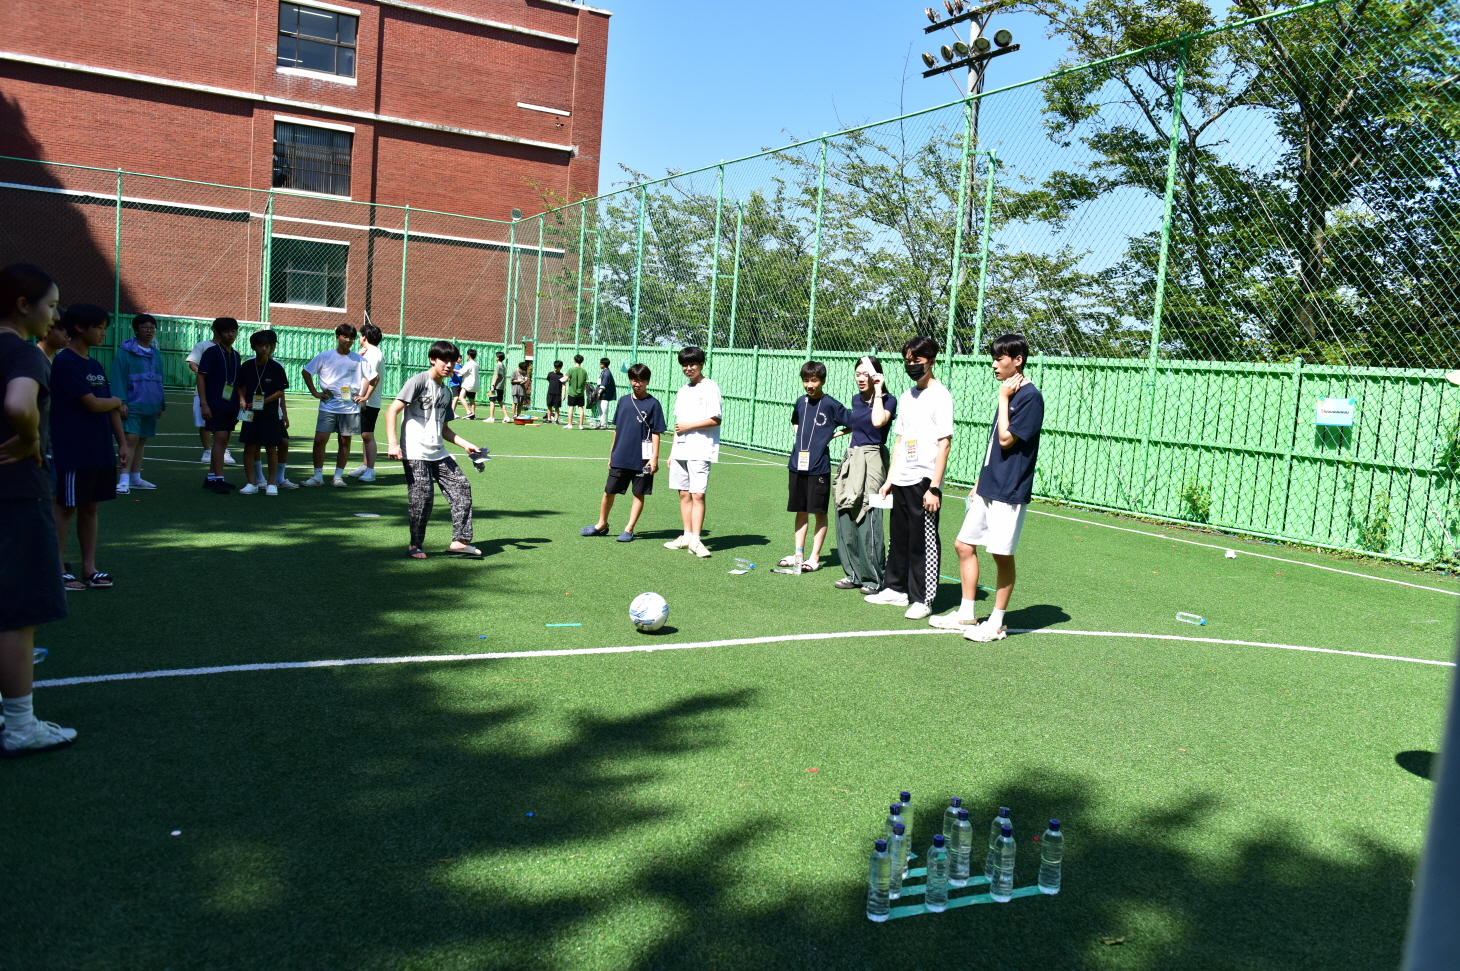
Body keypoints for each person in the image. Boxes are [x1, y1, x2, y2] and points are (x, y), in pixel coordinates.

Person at [0, 265, 75, 756]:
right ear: (23, 305)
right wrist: (29, 438)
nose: (55, 315)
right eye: (50, 305)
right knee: (16, 613)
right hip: (15, 494)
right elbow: (18, 404)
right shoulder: (25, 352)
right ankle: (20, 726)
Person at [931, 334, 1045, 642]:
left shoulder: (1029, 396)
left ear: (1017, 361)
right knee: (963, 545)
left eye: (999, 359)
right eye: (993, 359)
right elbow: (995, 443)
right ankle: (966, 614)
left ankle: (996, 623)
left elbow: (1007, 440)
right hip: (988, 485)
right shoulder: (1009, 390)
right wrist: (979, 481)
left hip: (1009, 490)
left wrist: (1003, 399)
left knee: (1001, 554)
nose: (994, 365)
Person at [866, 335, 954, 620]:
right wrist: (890, 479)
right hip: (902, 478)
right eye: (907, 361)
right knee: (900, 537)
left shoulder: (941, 396)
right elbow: (900, 440)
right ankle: (895, 588)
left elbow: (944, 443)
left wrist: (935, 487)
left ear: (932, 361)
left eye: (917, 360)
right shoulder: (906, 396)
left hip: (924, 479)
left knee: (923, 541)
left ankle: (923, 598)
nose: (911, 365)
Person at [384, 340, 487, 559]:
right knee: (423, 497)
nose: (448, 365)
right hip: (415, 451)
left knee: (461, 487)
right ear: (433, 359)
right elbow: (392, 411)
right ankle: (415, 545)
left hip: (438, 452)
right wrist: (393, 443)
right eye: (444, 360)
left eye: (452, 361)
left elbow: (444, 429)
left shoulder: (446, 392)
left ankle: (459, 542)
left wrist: (466, 444)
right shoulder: (419, 381)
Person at [51, 304, 128, 587]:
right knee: (65, 507)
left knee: (90, 507)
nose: (103, 333)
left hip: (99, 449)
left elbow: (109, 409)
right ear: (79, 328)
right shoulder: (65, 362)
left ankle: (89, 568)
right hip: (74, 449)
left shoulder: (94, 365)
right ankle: (57, 568)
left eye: (105, 328)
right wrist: (117, 401)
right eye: (99, 327)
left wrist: (122, 443)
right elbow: (94, 404)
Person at [779, 361, 851, 573]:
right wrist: (798, 434)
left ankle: (814, 557)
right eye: (806, 380)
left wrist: (834, 435)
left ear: (823, 381)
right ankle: (798, 554)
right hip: (796, 464)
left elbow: (854, 423)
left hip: (819, 467)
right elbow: (795, 420)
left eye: (814, 380)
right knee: (801, 510)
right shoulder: (800, 402)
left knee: (818, 511)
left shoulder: (830, 404)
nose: (809, 385)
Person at [831, 356, 896, 593]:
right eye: (857, 374)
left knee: (869, 516)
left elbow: (877, 422)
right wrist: (840, 435)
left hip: (873, 459)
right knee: (845, 512)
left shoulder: (888, 400)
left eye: (865, 374)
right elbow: (858, 425)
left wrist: (878, 391)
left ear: (876, 375)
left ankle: (874, 578)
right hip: (853, 457)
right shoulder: (856, 400)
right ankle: (854, 573)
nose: (860, 378)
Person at [580, 363, 664, 542]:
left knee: (638, 493)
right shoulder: (624, 401)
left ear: (648, 381)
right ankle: (601, 524)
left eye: (641, 380)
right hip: (621, 456)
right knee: (608, 491)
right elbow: (617, 430)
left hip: (643, 458)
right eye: (634, 379)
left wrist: (654, 457)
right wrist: (612, 453)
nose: (637, 383)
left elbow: (656, 432)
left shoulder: (654, 404)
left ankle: (629, 529)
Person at [663, 346, 721, 559]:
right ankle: (687, 536)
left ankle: (696, 540)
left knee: (698, 494)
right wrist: (672, 452)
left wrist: (690, 426)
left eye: (692, 364)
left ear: (701, 364)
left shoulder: (710, 387)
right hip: (681, 449)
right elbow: (679, 424)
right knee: (683, 493)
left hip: (701, 448)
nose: (688, 368)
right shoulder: (683, 390)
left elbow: (716, 419)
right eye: (685, 365)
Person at [301, 322, 374, 488]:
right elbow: (306, 371)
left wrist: (364, 397)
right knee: (320, 440)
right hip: (328, 406)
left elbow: (373, 378)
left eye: (351, 338)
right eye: (344, 336)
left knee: (344, 442)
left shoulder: (359, 359)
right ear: (337, 337)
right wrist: (315, 392)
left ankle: (338, 477)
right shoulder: (325, 356)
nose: (348, 340)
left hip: (349, 409)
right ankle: (317, 476)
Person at [110, 313, 165, 494]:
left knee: (141, 440)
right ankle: (123, 480)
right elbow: (118, 377)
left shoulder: (156, 353)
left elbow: (160, 379)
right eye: (145, 327)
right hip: (132, 402)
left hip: (151, 404)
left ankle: (135, 478)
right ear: (136, 330)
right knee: (131, 439)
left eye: (152, 328)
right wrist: (121, 401)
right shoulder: (125, 352)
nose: (149, 331)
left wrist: (161, 403)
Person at [234, 329, 290, 496]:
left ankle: (271, 484)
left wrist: (264, 401)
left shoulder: (276, 367)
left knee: (271, 447)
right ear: (253, 347)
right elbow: (240, 386)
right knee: (249, 446)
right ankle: (251, 483)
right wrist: (242, 401)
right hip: (250, 413)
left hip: (270, 414)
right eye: (260, 345)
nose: (264, 348)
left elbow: (280, 392)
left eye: (266, 345)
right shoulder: (247, 366)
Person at [196, 317, 242, 494]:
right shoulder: (211, 352)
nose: (230, 335)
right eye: (226, 331)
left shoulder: (236, 355)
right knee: (220, 438)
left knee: (225, 439)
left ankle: (211, 477)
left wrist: (241, 401)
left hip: (231, 404)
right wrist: (204, 404)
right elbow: (201, 377)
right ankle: (219, 479)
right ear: (218, 332)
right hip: (215, 402)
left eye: (233, 331)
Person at [186, 329, 235, 466]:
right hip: (204, 391)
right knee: (204, 422)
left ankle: (224, 450)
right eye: (224, 329)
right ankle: (207, 450)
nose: (229, 333)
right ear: (214, 329)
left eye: (233, 331)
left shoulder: (233, 352)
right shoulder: (203, 346)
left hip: (225, 393)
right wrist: (201, 371)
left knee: (227, 423)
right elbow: (192, 362)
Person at [347, 322, 385, 482]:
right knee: (364, 434)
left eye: (360, 335)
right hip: (364, 400)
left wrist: (363, 398)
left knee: (367, 435)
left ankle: (370, 470)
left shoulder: (374, 354)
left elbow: (371, 377)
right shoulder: (368, 353)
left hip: (369, 401)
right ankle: (365, 466)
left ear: (364, 337)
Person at [564, 353, 589, 430]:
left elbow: (565, 379)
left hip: (572, 392)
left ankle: (570, 424)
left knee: (571, 407)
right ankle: (581, 425)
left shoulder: (571, 370)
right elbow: (585, 383)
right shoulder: (584, 371)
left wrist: (564, 376)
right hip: (580, 393)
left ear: (574, 361)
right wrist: (583, 390)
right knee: (581, 408)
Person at [458, 348, 480, 419]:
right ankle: (473, 415)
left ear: (469, 356)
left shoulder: (469, 363)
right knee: (471, 400)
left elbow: (461, 372)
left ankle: (468, 412)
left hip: (468, 384)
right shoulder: (476, 364)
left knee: (461, 397)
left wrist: (453, 369)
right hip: (475, 385)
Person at [595, 357, 617, 429]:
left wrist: (599, 393)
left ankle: (604, 425)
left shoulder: (607, 373)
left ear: (603, 364)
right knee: (601, 409)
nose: (600, 365)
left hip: (604, 395)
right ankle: (602, 423)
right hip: (602, 394)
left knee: (604, 409)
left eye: (600, 363)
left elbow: (604, 384)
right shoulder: (604, 372)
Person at [486, 350, 507, 422]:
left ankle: (491, 417)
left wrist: (492, 386)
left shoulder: (498, 365)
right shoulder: (503, 366)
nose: (495, 357)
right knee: (500, 401)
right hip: (501, 387)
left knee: (491, 401)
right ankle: (506, 416)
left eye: (496, 356)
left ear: (498, 358)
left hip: (495, 386)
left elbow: (496, 376)